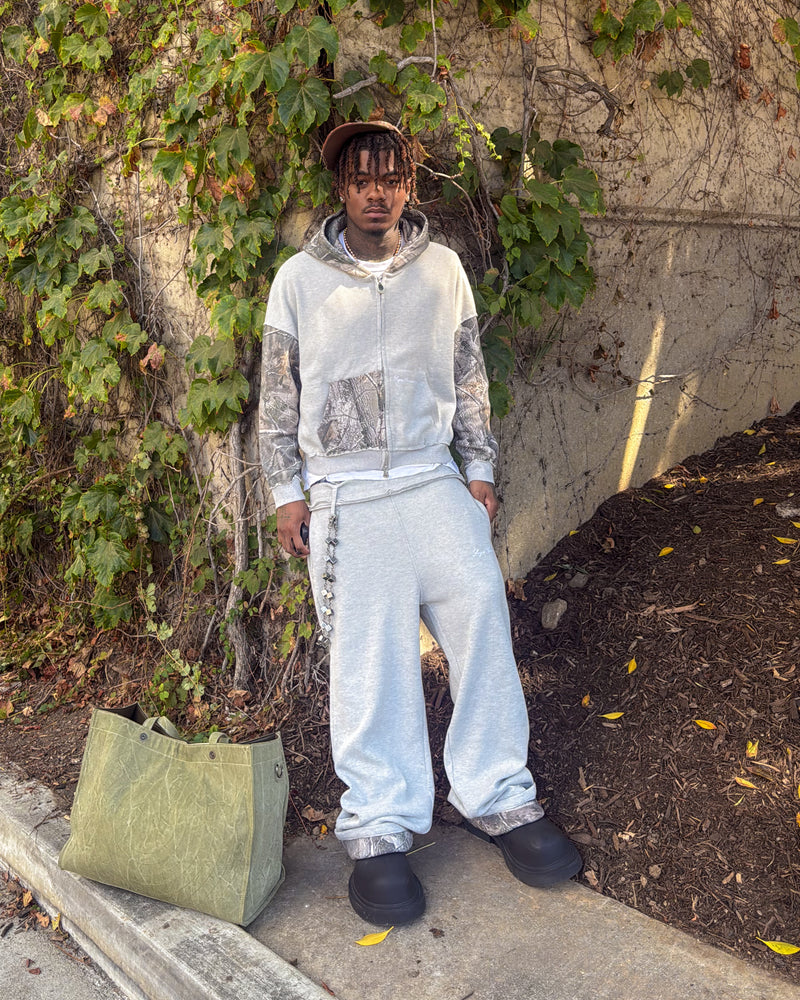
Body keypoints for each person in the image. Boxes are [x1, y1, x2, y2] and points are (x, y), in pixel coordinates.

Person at [259, 119, 581, 926]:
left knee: (482, 619)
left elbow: (468, 374)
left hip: (433, 480)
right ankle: (379, 825)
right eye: (361, 179)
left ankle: (498, 795)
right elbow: (277, 396)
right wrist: (287, 492)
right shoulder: (298, 281)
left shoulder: (443, 270)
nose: (377, 193)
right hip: (345, 495)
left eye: (390, 177)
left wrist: (479, 471)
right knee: (368, 660)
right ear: (342, 188)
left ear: (409, 184)